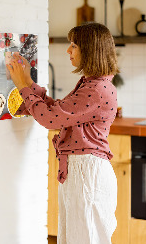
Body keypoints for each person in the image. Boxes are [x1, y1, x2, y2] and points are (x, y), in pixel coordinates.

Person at [7, 22, 119, 244]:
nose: (68, 50)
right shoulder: (92, 84)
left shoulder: (96, 89)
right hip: (82, 171)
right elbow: (58, 111)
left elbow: (50, 119)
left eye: (74, 45)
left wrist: (22, 86)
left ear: (90, 50)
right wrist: (28, 82)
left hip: (87, 173)